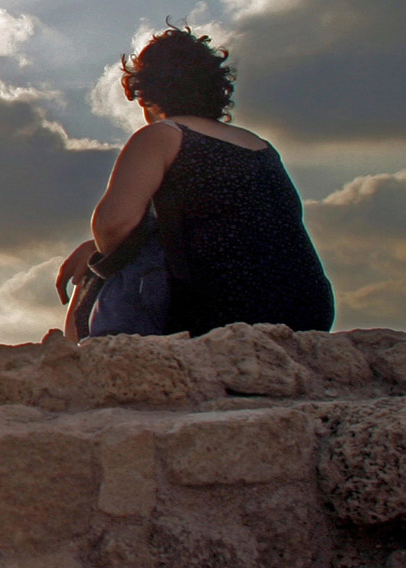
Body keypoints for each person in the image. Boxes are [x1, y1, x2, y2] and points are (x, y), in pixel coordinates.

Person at [56, 27, 333, 340]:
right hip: (307, 311)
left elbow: (112, 227)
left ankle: (80, 360)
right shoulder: (260, 145)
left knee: (99, 266)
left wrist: (94, 252)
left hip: (219, 308)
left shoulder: (164, 135)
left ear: (147, 93)